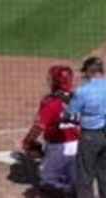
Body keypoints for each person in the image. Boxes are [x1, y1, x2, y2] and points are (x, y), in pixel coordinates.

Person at [68, 55, 106, 198]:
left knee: (85, 176)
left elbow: (72, 116)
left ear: (88, 71)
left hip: (90, 137)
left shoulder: (83, 91)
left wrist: (69, 100)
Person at [20, 63, 82, 196]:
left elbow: (38, 127)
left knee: (48, 184)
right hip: (79, 147)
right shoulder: (79, 99)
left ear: (55, 81)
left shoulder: (50, 102)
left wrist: (27, 142)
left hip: (57, 148)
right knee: (74, 183)